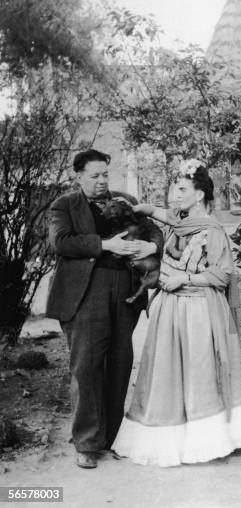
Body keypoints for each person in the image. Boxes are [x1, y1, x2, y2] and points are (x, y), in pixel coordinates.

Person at [112, 159, 241, 466]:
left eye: (182, 189)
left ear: (199, 195)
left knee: (198, 375)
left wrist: (185, 278)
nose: (175, 193)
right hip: (170, 309)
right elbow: (161, 213)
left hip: (199, 309)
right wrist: (139, 207)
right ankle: (167, 440)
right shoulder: (179, 222)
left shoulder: (212, 230)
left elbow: (222, 275)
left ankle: (204, 442)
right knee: (166, 375)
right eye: (174, 187)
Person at [45, 149, 164, 469]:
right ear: (79, 176)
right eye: (94, 176)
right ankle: (87, 442)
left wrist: (150, 246)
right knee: (86, 367)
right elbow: (61, 242)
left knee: (120, 364)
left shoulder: (125, 199)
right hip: (86, 293)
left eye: (105, 175)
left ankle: (112, 438)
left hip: (125, 290)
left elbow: (156, 233)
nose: (101, 182)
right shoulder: (64, 205)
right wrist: (106, 245)